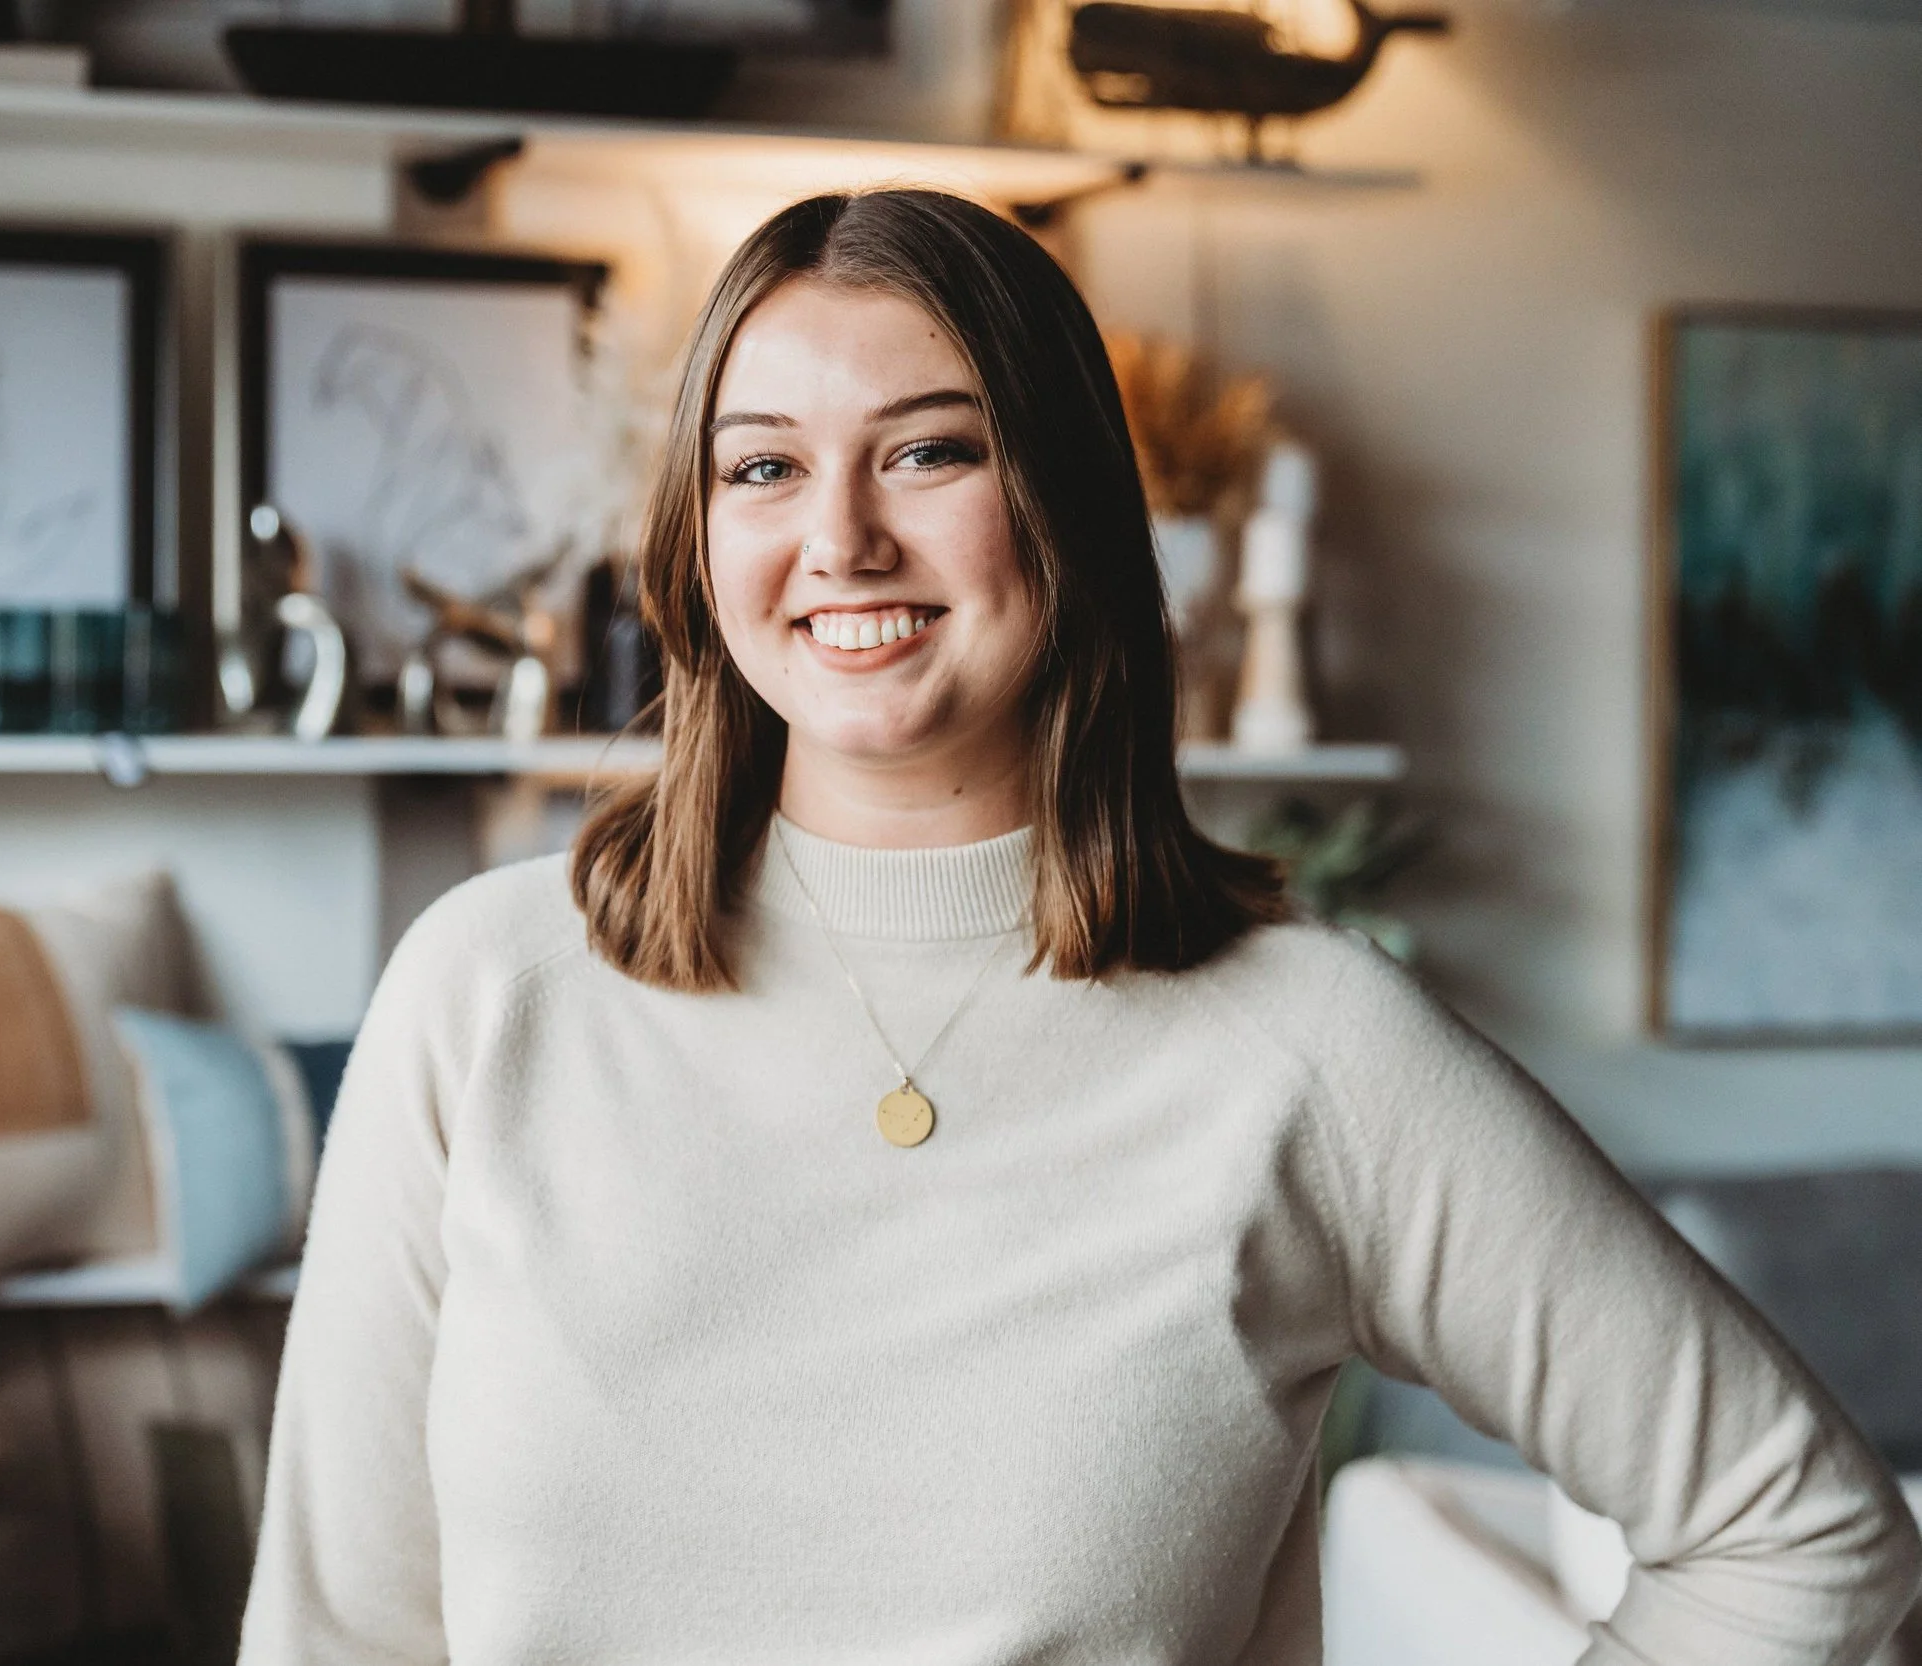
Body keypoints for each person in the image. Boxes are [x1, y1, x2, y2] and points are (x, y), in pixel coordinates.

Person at [239, 188, 1919, 1664]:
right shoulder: (487, 993)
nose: (841, 539)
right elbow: (338, 1637)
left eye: (930, 448)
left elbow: (1803, 1536)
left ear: (1065, 506)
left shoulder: (1306, 1045)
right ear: (697, 540)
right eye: (763, 466)